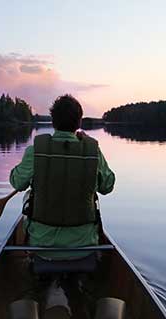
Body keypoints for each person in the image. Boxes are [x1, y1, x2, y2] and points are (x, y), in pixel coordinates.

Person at [9, 94, 115, 255]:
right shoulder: (92, 151)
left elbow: (17, 183)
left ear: (53, 122)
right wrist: (89, 147)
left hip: (41, 246)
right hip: (85, 246)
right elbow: (107, 186)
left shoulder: (35, 151)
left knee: (28, 196)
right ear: (79, 122)